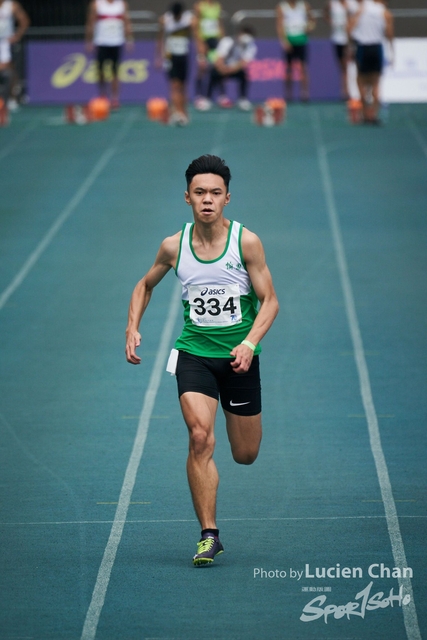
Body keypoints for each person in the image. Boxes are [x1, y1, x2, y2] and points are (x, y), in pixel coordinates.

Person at [125, 155, 279, 566]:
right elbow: (145, 284)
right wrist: (132, 325)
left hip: (239, 359)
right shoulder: (173, 246)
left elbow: (270, 301)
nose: (207, 200)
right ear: (187, 198)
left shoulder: (246, 242)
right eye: (199, 193)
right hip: (194, 353)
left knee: (245, 454)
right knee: (199, 436)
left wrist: (249, 343)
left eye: (214, 193)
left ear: (227, 198)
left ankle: (214, 519)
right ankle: (209, 534)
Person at [349, 0, 394, 124]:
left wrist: (350, 47)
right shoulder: (383, 11)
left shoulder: (360, 8)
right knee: (376, 83)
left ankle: (364, 114)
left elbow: (350, 29)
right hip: (376, 47)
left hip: (363, 47)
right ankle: (373, 115)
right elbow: (389, 32)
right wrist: (392, 51)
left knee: (361, 81)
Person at [85, 0, 133, 110]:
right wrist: (88, 41)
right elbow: (90, 22)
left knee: (115, 72)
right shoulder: (97, 4)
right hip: (101, 42)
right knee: (100, 71)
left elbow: (127, 22)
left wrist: (129, 39)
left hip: (117, 42)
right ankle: (103, 94)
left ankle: (115, 98)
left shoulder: (121, 4)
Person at [156, 2, 196, 126]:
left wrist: (200, 56)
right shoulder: (165, 20)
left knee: (183, 86)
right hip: (170, 57)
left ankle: (184, 112)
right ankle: (176, 112)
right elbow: (160, 39)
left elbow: (196, 36)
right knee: (174, 85)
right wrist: (158, 57)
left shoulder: (189, 19)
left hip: (183, 56)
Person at [205, 26, 257, 111]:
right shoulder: (227, 41)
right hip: (222, 67)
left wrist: (230, 70)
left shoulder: (251, 46)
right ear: (240, 34)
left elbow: (243, 63)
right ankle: (207, 99)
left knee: (244, 76)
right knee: (213, 74)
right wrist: (223, 69)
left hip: (235, 69)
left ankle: (243, 99)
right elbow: (219, 58)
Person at [276, 0, 315, 102]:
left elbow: (312, 19)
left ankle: (305, 94)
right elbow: (279, 25)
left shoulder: (304, 5)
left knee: (303, 68)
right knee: (288, 69)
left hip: (301, 40)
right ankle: (288, 95)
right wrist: (284, 41)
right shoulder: (282, 7)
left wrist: (310, 27)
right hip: (289, 40)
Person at [324, 0, 359, 100]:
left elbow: (357, 16)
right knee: (342, 67)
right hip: (337, 39)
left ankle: (351, 90)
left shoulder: (352, 4)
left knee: (350, 65)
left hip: (350, 39)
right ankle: (345, 90)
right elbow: (325, 12)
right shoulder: (333, 3)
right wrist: (331, 21)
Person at [193, 0, 224, 110]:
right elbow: (195, 25)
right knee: (202, 68)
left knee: (218, 67)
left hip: (214, 41)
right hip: (203, 41)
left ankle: (221, 96)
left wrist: (222, 40)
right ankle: (199, 96)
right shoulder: (199, 6)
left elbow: (219, 23)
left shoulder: (217, 6)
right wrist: (199, 43)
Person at [0, 0, 29, 107]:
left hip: (6, 43)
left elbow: (24, 20)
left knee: (10, 70)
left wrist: (17, 36)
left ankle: (12, 97)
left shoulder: (11, 6)